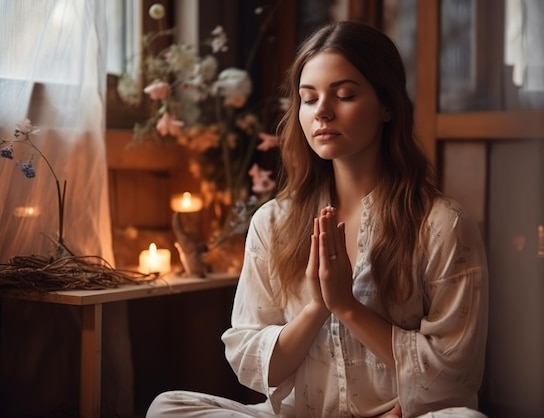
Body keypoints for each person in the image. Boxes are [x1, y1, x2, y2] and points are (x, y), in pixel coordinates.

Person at [147, 20, 488, 418]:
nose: (322, 111)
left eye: (344, 95)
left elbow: (453, 374)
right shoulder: (273, 222)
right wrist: (318, 307)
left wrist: (348, 306)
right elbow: (251, 361)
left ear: (387, 105)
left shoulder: (441, 224)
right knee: (167, 408)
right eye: (309, 99)